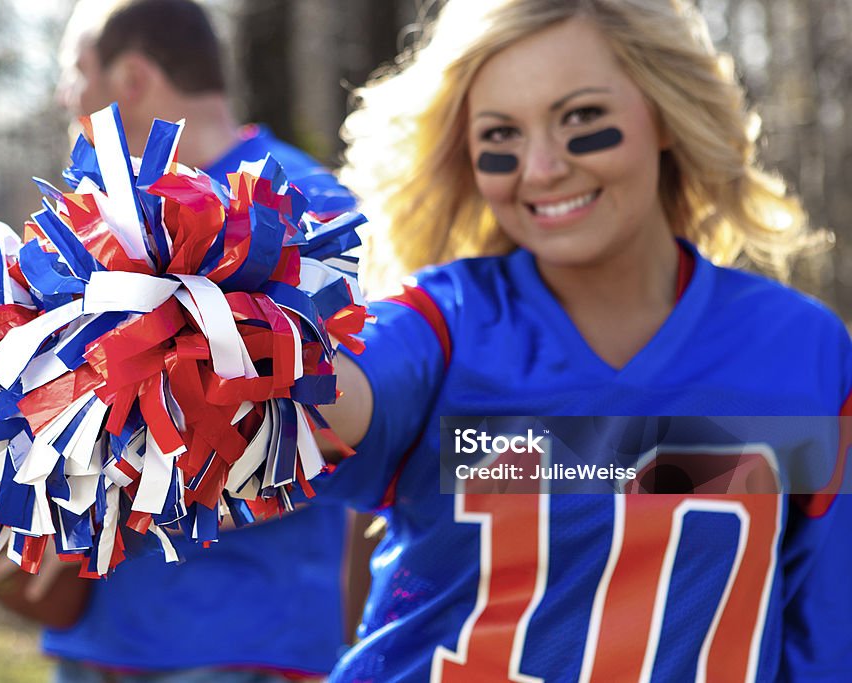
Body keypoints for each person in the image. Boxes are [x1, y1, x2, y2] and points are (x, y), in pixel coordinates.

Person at [310, 0, 852, 681]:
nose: (540, 168)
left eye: (583, 119)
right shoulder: (441, 322)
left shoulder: (805, 355)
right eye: (500, 134)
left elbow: (826, 637)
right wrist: (233, 341)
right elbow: (336, 390)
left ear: (661, 111)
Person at [0, 2, 358, 682]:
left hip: (238, 642)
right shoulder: (93, 216)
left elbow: (344, 428)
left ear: (133, 77)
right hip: (96, 640)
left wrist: (111, 499)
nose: (64, 94)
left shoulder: (303, 204)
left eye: (74, 70)